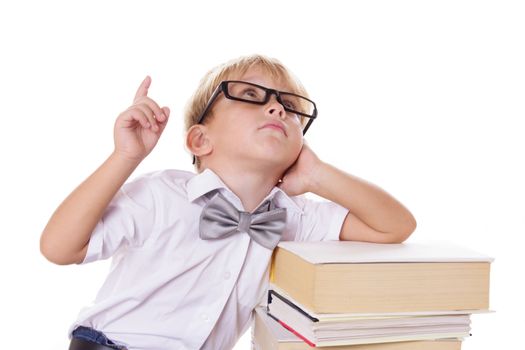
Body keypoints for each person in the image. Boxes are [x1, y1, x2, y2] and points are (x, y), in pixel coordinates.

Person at [40, 54, 417, 350]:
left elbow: (395, 226)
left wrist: (319, 175)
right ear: (200, 140)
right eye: (251, 96)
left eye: (290, 105)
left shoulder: (295, 216)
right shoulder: (161, 194)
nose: (277, 109)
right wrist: (125, 157)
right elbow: (59, 248)